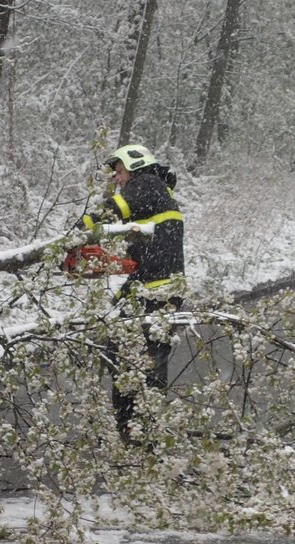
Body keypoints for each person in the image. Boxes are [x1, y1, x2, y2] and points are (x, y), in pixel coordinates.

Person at [76, 143, 185, 440]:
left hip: (156, 293)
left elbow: (113, 211)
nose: (117, 179)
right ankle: (131, 427)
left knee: (142, 362)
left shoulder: (148, 184)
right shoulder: (159, 193)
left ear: (135, 166)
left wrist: (77, 232)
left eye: (120, 172)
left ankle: (141, 429)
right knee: (121, 352)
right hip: (146, 288)